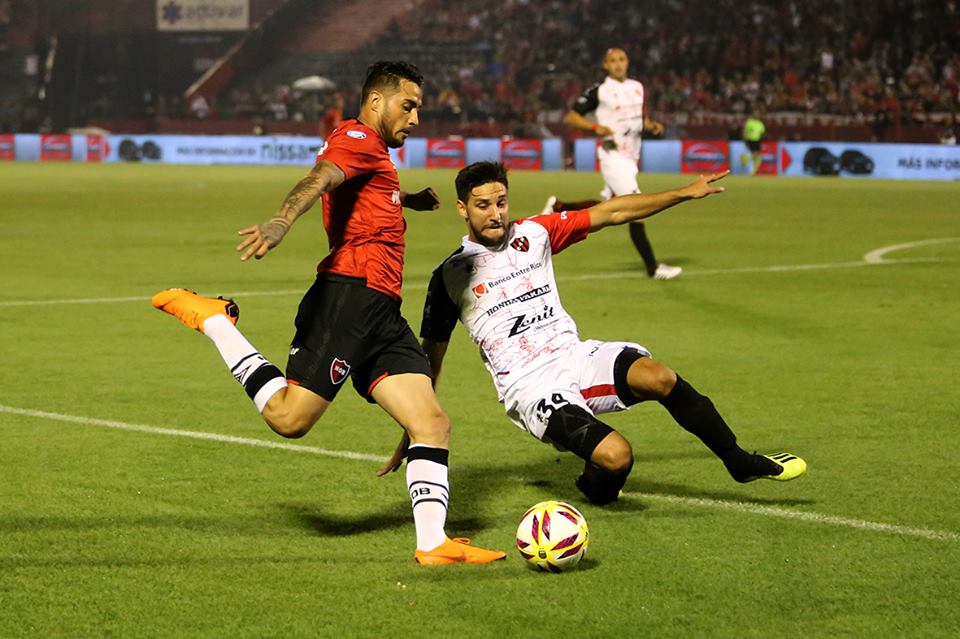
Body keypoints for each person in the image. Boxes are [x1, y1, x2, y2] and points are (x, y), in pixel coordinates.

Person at [151, 61, 505, 566]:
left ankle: (433, 544)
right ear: (377, 101)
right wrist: (281, 220)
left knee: (431, 423)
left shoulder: (374, 151)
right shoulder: (358, 136)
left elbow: (357, 188)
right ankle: (215, 321)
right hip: (349, 296)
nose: (416, 119)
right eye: (408, 106)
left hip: (382, 309)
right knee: (289, 418)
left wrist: (403, 199)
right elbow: (321, 177)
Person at [382, 162, 806, 505]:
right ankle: (594, 489)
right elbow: (429, 360)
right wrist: (414, 428)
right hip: (531, 387)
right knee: (617, 456)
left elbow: (613, 212)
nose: (495, 214)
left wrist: (683, 192)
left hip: (575, 356)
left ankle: (737, 460)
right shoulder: (449, 276)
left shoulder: (535, 234)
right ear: (463, 209)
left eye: (501, 202)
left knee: (660, 377)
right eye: (483, 205)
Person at [544, 47, 681, 281]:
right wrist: (595, 127)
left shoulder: (637, 87)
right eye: (613, 60)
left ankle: (559, 207)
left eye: (622, 59)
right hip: (613, 156)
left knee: (609, 207)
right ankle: (653, 268)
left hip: (631, 157)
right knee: (636, 209)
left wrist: (651, 125)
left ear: (627, 62)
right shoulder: (600, 91)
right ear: (605, 65)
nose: (618, 64)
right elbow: (572, 117)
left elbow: (640, 117)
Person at [741, 108, 766, 175]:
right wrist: (745, 139)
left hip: (757, 140)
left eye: (758, 114)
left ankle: (754, 171)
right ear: (753, 114)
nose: (756, 115)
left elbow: (762, 132)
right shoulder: (749, 122)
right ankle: (745, 159)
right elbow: (744, 131)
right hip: (751, 139)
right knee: (756, 154)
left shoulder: (760, 123)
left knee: (757, 156)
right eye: (755, 113)